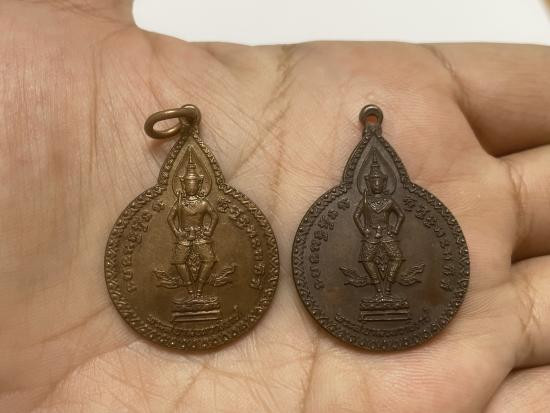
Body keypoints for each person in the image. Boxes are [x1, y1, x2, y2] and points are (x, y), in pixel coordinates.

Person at [2, 1, 550, 411]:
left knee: (373, 263)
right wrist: (188, 225)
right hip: (200, 246)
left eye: (378, 182)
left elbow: (385, 218)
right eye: (187, 182)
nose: (191, 186)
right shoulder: (185, 204)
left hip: (374, 243)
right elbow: (181, 218)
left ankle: (380, 296)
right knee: (196, 266)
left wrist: (380, 222)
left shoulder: (385, 204)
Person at [167, 153, 218, 300]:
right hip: (184, 236)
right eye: (188, 184)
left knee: (209, 260)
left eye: (193, 184)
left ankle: (199, 290)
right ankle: (190, 291)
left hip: (201, 235)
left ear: (199, 185)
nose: (191, 187)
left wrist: (209, 230)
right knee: (178, 261)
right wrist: (177, 232)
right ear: (183, 185)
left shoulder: (203, 203)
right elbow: (170, 218)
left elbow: (215, 216)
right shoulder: (180, 203)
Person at [354, 152, 404, 298]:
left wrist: (396, 228)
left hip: (387, 233)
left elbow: (401, 215)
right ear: (369, 183)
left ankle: (388, 288)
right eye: (373, 182)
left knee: (397, 258)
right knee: (366, 259)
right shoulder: (365, 201)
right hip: (371, 235)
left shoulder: (389, 200)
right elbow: (356, 215)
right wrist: (363, 230)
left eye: (379, 182)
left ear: (383, 183)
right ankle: (378, 290)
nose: (376, 185)